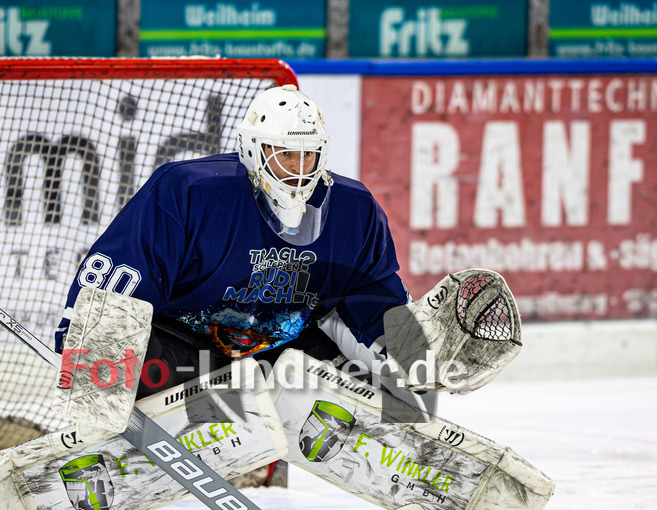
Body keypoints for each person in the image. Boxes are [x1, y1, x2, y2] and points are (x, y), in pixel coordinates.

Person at [54, 84, 409, 396]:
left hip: (276, 357)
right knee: (113, 352)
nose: (299, 169)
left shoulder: (354, 210)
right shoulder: (189, 191)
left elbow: (371, 302)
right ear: (254, 149)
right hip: (183, 351)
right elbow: (122, 275)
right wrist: (89, 344)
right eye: (285, 153)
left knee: (371, 376)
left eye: (308, 154)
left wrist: (411, 353)